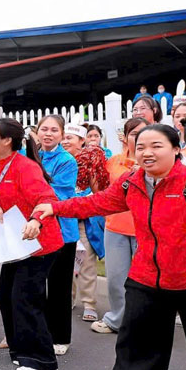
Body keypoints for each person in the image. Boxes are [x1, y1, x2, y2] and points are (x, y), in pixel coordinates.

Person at [35, 124, 186, 370]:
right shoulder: (132, 181)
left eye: (156, 146)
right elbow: (100, 202)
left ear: (176, 149)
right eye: (141, 147)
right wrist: (56, 208)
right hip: (147, 273)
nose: (147, 153)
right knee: (138, 332)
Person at [0, 117, 63, 370]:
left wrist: (36, 220)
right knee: (6, 296)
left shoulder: (25, 167)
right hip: (15, 243)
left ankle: (43, 361)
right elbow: (0, 196)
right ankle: (20, 351)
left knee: (26, 298)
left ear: (7, 140)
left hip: (40, 243)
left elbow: (46, 198)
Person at [93, 117, 147, 334]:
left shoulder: (157, 162)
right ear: (125, 137)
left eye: (143, 132)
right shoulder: (113, 162)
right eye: (133, 134)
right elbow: (102, 194)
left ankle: (145, 320)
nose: (138, 138)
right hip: (115, 227)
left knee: (145, 279)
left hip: (145, 229)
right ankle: (117, 319)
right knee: (116, 278)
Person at [35, 115, 79, 355]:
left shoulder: (66, 160)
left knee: (59, 287)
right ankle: (40, 332)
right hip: (35, 231)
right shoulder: (31, 156)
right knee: (36, 284)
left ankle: (61, 336)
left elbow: (59, 195)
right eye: (44, 129)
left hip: (62, 231)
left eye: (54, 130)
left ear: (62, 135)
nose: (48, 134)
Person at [62, 124, 110, 325]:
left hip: (84, 221)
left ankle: (89, 303)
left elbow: (98, 190)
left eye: (70, 138)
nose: (65, 141)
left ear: (81, 141)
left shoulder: (90, 162)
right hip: (63, 220)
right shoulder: (59, 161)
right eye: (63, 137)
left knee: (87, 261)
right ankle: (68, 298)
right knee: (65, 262)